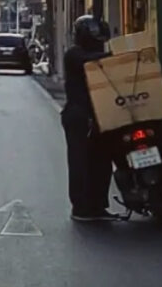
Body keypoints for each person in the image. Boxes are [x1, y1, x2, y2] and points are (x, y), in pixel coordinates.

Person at [61, 15, 116, 222]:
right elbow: (89, 61)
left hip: (100, 114)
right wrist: (115, 56)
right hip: (79, 115)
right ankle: (81, 206)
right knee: (80, 161)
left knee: (102, 161)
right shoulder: (74, 54)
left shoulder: (96, 55)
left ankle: (98, 205)